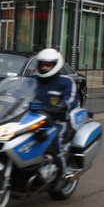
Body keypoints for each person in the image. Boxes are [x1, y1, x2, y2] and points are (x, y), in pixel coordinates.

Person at [32, 48, 80, 185]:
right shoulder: (32, 80)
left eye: (48, 65)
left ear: (55, 65)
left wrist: (60, 106)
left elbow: (72, 98)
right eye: (42, 65)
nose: (44, 68)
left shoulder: (65, 82)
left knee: (54, 139)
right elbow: (18, 93)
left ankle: (63, 175)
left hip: (58, 121)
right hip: (33, 120)